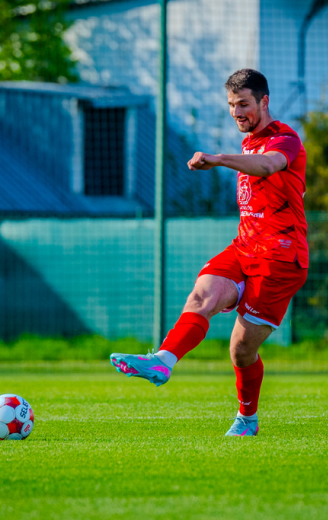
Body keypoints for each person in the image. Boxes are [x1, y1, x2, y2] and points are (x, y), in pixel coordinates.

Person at [110, 69, 309, 437]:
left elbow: (269, 165)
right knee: (202, 295)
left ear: (264, 101)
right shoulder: (249, 142)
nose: (237, 112)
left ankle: (247, 419)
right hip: (245, 246)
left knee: (241, 350)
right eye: (232, 105)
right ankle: (162, 361)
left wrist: (218, 159)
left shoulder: (285, 139)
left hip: (281, 258)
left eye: (244, 104)